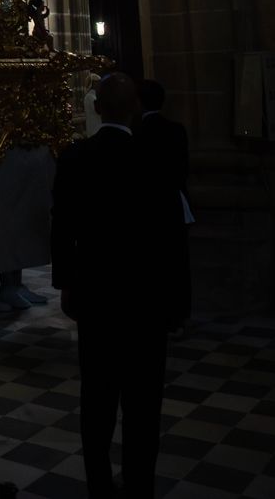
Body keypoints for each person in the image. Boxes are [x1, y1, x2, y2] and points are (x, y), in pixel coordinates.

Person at [53, 73, 180, 498]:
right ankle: (140, 484)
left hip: (97, 299)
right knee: (144, 406)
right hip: (147, 301)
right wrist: (178, 303)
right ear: (135, 110)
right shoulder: (154, 159)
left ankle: (99, 487)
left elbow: (62, 229)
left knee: (98, 401)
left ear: (95, 108)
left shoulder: (75, 157)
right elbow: (172, 238)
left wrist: (66, 285)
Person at [136, 79, 193, 329]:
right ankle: (179, 315)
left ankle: (155, 314)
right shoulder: (177, 130)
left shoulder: (137, 134)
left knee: (153, 265)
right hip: (174, 203)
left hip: (147, 209)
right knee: (177, 261)